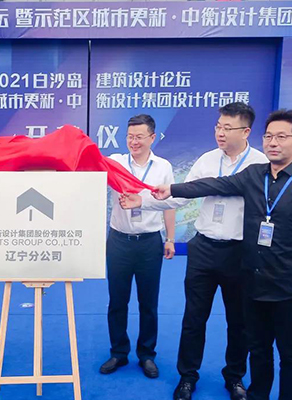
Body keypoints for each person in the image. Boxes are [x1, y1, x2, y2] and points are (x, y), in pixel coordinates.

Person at [151, 109, 292, 400]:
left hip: (283, 277)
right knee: (256, 346)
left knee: (287, 351)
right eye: (269, 136)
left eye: (281, 137)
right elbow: (213, 184)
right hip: (248, 272)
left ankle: (250, 382)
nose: (273, 142)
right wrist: (171, 189)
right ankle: (243, 391)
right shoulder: (255, 174)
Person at [122, 102, 267, 400]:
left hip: (240, 252)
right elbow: (180, 197)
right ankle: (187, 376)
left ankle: (235, 377)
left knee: (239, 320)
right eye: (218, 126)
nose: (220, 133)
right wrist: (144, 202)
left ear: (246, 131)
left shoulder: (260, 164)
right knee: (193, 318)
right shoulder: (206, 160)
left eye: (228, 128)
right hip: (204, 249)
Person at [99, 114, 176, 379]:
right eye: (130, 136)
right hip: (119, 241)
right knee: (117, 301)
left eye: (139, 137)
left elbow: (169, 204)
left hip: (149, 243)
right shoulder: (116, 162)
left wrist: (170, 238)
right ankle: (119, 352)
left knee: (148, 302)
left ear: (152, 138)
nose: (134, 142)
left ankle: (146, 354)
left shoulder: (163, 167)